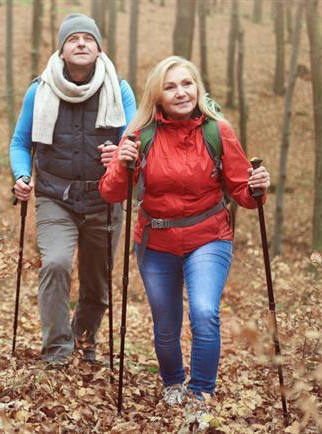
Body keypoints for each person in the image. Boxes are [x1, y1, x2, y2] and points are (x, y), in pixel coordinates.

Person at [99, 56, 270, 419]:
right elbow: (113, 194)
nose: (181, 92)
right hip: (155, 242)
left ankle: (201, 394)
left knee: (205, 311)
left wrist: (257, 188)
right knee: (165, 323)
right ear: (157, 96)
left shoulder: (217, 131)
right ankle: (173, 382)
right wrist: (123, 163)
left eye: (187, 84)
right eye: (171, 86)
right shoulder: (140, 135)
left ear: (198, 88)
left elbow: (242, 193)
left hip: (208, 236)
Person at [9, 13, 136, 368]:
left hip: (106, 198)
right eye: (72, 39)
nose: (81, 43)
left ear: (98, 48)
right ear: (62, 50)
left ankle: (84, 336)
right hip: (55, 197)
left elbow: (136, 139)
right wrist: (21, 175)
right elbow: (20, 142)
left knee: (98, 282)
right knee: (56, 262)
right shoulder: (40, 89)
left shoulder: (120, 89)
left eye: (88, 39)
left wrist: (123, 153)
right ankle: (57, 350)